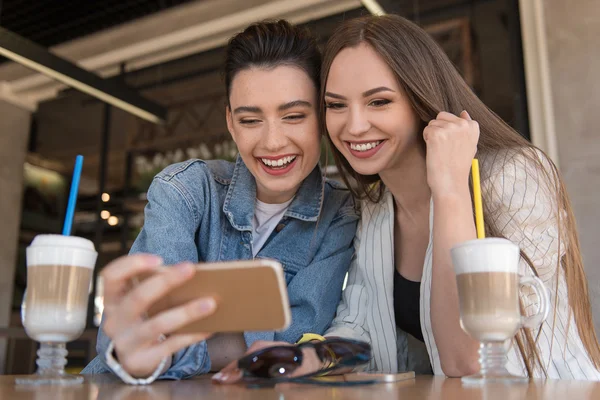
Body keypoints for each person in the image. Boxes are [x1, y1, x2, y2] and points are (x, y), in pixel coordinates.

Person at [319, 14, 600, 380]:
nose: (353, 126)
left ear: (420, 99)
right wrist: (299, 358)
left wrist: (450, 187)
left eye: (379, 102)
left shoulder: (512, 176)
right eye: (336, 105)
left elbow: (469, 358)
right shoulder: (376, 209)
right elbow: (357, 329)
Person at [81, 20, 359, 384]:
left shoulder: (340, 215)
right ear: (230, 122)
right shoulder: (183, 190)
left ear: (321, 119)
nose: (273, 142)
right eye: (250, 119)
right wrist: (246, 346)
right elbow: (141, 335)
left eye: (293, 116)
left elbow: (293, 345)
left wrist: (189, 344)